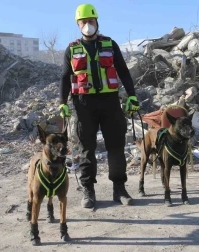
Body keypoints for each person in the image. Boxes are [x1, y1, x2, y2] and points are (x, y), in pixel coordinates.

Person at [58, 3, 140, 208]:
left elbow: (123, 72)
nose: (88, 25)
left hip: (110, 101)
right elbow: (64, 78)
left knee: (116, 147)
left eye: (91, 21)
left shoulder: (110, 45)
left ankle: (119, 189)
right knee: (86, 149)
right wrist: (62, 103)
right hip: (83, 105)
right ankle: (88, 191)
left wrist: (132, 96)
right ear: (78, 25)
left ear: (97, 22)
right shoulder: (71, 49)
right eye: (84, 22)